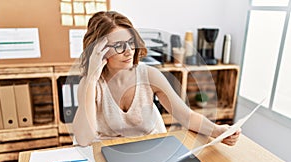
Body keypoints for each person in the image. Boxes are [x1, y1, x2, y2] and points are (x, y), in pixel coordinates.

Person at [72, 11, 241, 146]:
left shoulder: (150, 75)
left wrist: (217, 131)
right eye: (118, 46)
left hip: (148, 149)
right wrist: (92, 78)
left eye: (131, 42)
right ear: (97, 50)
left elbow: (185, 116)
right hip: (108, 153)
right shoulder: (90, 85)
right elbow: (84, 139)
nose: (129, 51)